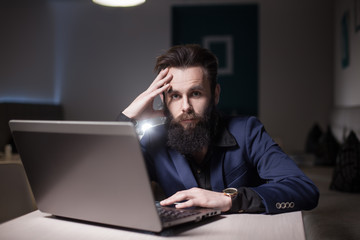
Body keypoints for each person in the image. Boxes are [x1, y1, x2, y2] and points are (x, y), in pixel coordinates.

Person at [117, 44, 319, 213]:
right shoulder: (154, 142)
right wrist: (127, 117)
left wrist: (230, 200)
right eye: (175, 96)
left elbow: (304, 190)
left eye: (195, 93)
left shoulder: (247, 131)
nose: (185, 106)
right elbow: (107, 184)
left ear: (215, 94)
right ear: (163, 100)